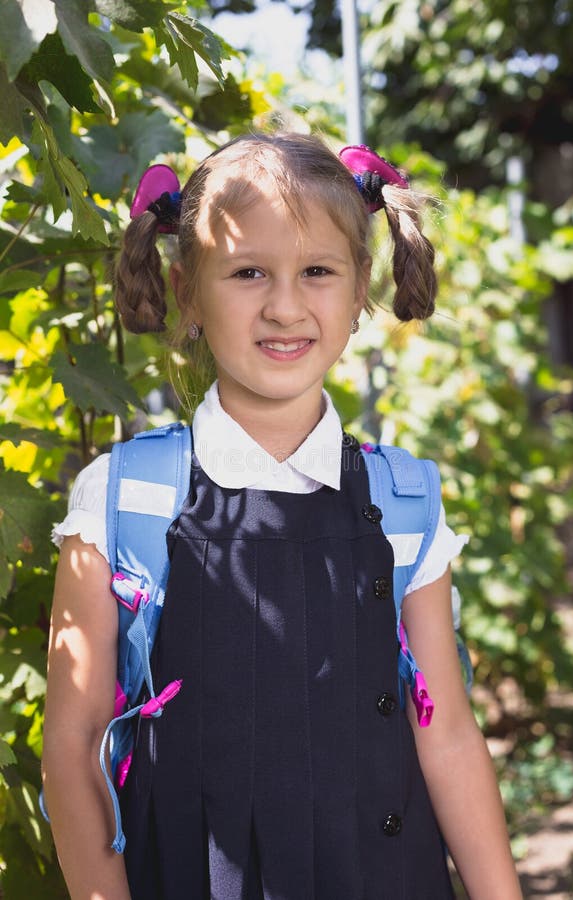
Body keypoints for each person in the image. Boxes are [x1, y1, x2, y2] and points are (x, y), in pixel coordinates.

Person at [42, 132, 522, 900]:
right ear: (188, 288)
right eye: (248, 271)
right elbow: (72, 746)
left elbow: (449, 735)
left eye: (318, 271)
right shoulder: (123, 501)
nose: (286, 305)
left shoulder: (403, 502)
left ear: (361, 286)